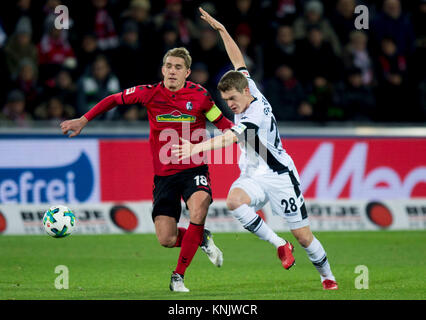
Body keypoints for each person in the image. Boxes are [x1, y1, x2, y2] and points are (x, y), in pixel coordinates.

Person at [172, 8, 338, 290]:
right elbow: (237, 60)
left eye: (233, 99)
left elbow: (228, 139)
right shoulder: (248, 86)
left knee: (304, 236)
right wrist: (222, 30)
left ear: (245, 93)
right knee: (234, 202)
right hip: (253, 173)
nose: (230, 105)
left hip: (279, 175)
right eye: (226, 100)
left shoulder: (254, 115)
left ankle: (327, 276)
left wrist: (193, 149)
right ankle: (279, 244)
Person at [60, 47, 232, 292]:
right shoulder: (149, 93)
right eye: (169, 66)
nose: (172, 71)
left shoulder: (202, 96)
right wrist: (83, 120)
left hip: (194, 168)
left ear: (188, 73)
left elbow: (223, 124)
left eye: (178, 67)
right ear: (163, 69)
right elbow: (113, 99)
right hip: (164, 176)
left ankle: (178, 277)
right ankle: (200, 238)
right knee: (167, 239)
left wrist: (241, 134)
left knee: (200, 205)